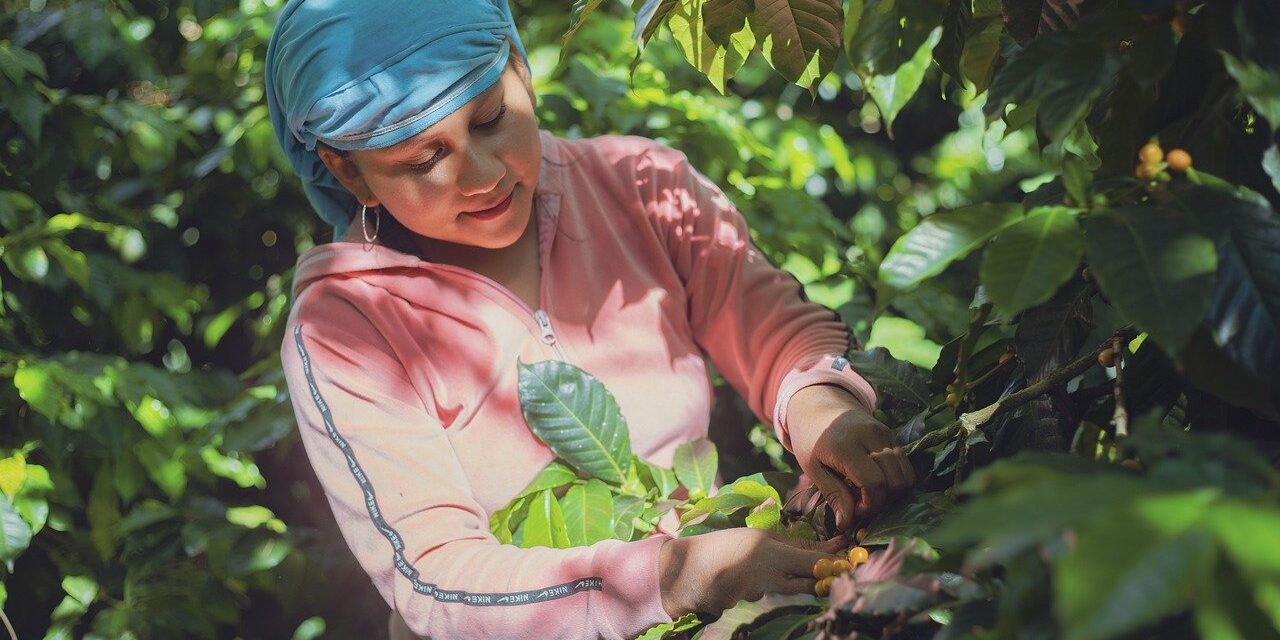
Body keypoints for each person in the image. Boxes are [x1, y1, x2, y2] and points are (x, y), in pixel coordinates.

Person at [264, 1, 915, 638]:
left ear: (520, 66)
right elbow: (435, 577)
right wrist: (670, 579)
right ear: (349, 173)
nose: (481, 175)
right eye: (423, 160)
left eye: (490, 120)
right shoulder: (345, 328)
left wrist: (822, 407)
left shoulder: (641, 187)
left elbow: (770, 324)